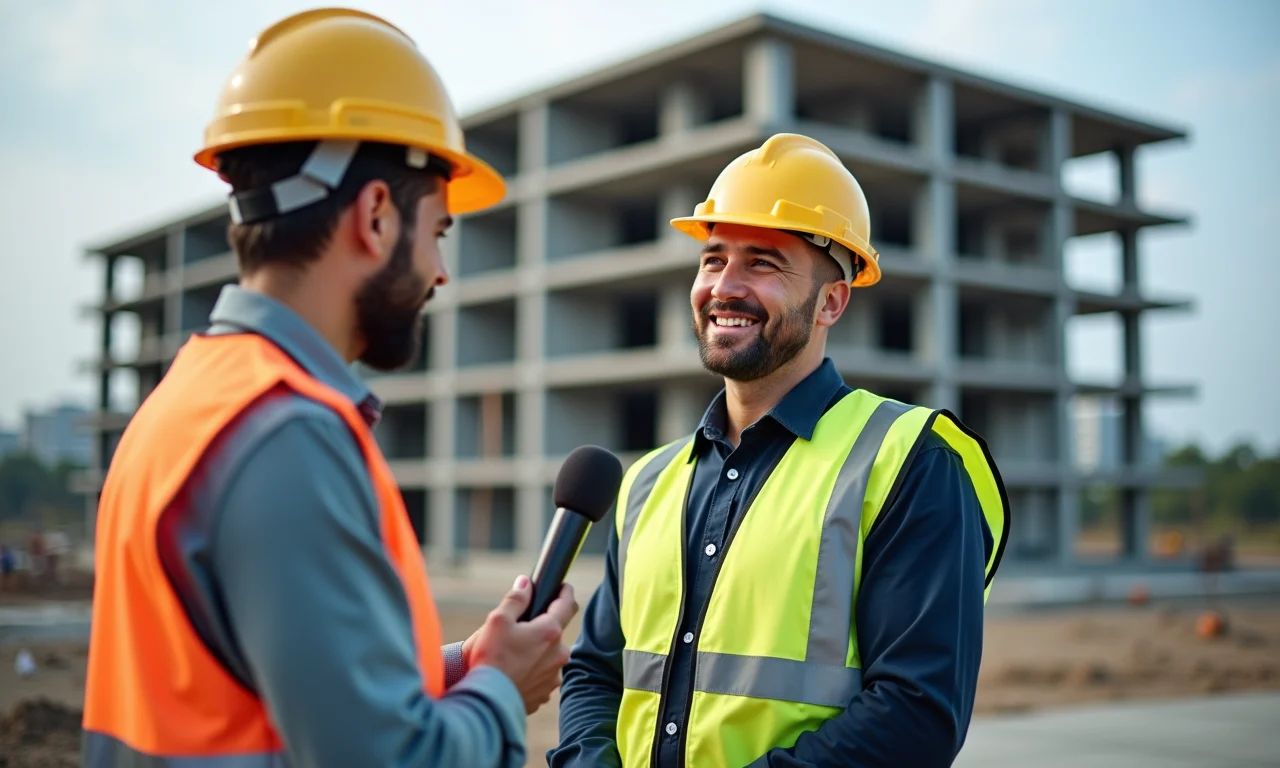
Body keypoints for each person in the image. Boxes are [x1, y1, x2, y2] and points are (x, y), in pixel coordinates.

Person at [82, 10, 576, 768]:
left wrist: (464, 666)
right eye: (438, 232)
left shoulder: (192, 400)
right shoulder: (286, 434)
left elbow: (279, 694)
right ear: (376, 216)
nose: (441, 273)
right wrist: (502, 690)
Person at [550, 133, 1010, 768]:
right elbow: (596, 676)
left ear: (831, 301)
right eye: (713, 259)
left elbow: (915, 716)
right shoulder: (649, 481)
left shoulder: (911, 461)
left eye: (763, 263)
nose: (725, 286)